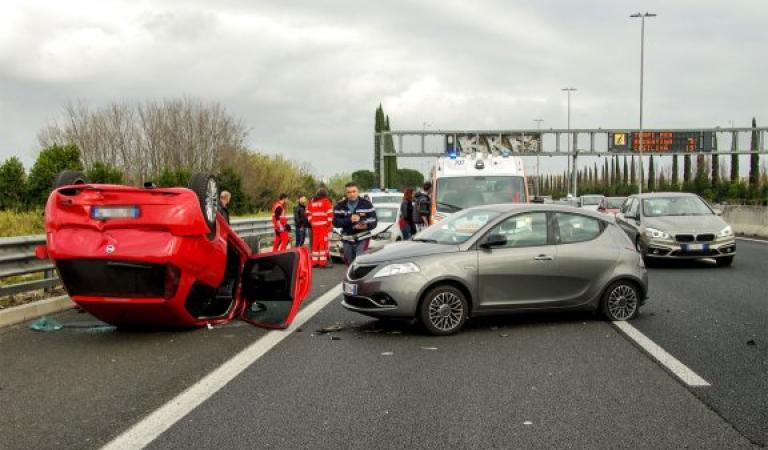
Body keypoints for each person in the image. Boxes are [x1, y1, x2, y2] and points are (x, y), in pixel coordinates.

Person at [333, 182, 377, 265]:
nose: (352, 194)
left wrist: (366, 225)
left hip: (362, 238)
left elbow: (374, 220)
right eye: (349, 192)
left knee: (360, 262)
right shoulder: (340, 206)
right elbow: (335, 222)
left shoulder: (367, 204)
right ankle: (351, 277)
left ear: (358, 192)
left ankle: (361, 278)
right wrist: (349, 219)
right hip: (347, 239)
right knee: (349, 264)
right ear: (345, 193)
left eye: (354, 191)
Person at [307, 189, 334, 267]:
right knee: (323, 244)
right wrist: (328, 224)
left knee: (315, 244)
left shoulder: (312, 202)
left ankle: (314, 262)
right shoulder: (326, 202)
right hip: (323, 226)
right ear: (325, 195)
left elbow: (308, 212)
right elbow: (330, 214)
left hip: (315, 226)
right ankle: (323, 262)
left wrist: (311, 221)